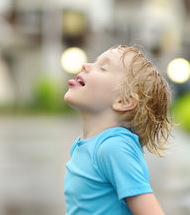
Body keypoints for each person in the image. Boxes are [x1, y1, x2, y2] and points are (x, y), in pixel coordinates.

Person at [63, 45, 173, 215]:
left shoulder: (114, 147)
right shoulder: (82, 146)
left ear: (124, 101)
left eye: (103, 68)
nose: (85, 65)